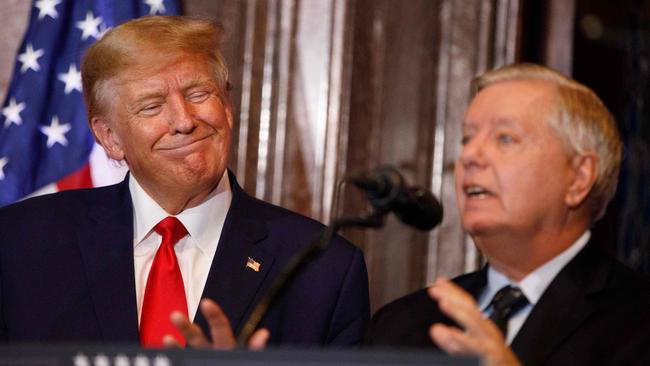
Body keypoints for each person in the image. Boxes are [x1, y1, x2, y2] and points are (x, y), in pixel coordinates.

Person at [0, 16, 369, 348]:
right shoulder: (22, 242)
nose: (184, 121)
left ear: (226, 106)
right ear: (110, 138)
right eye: (151, 106)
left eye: (198, 94)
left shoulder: (322, 267)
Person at [364, 63, 650, 365]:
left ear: (579, 178)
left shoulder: (638, 322)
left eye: (505, 138)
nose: (471, 156)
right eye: (467, 139)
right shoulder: (399, 326)